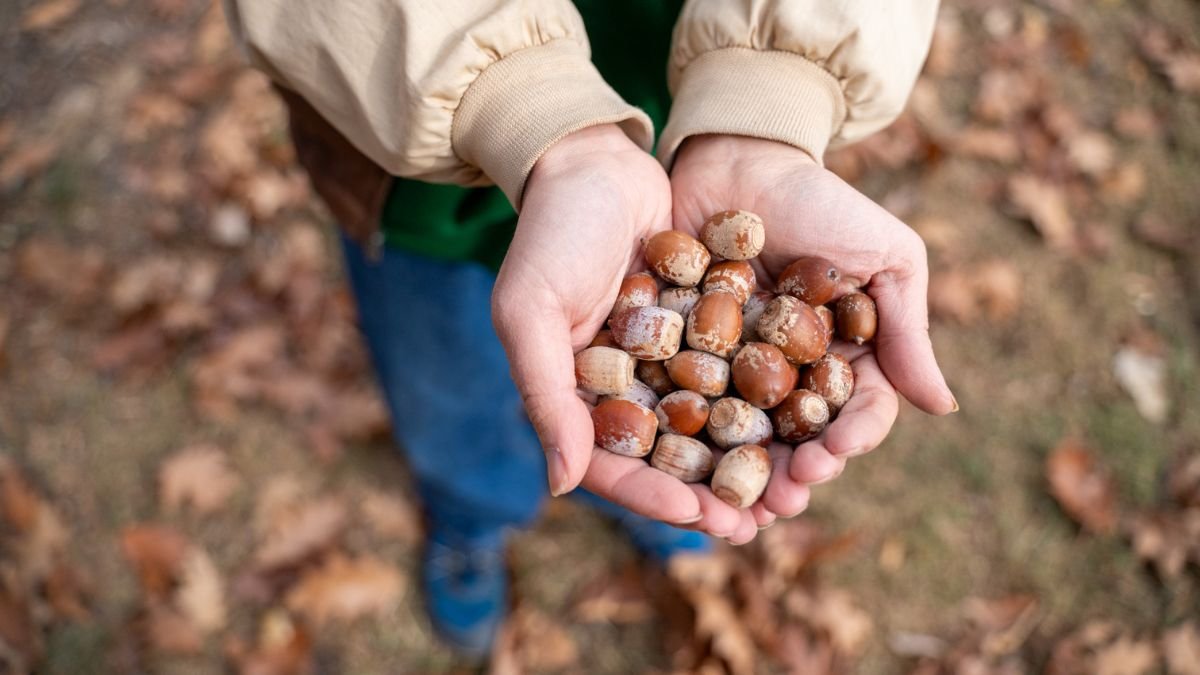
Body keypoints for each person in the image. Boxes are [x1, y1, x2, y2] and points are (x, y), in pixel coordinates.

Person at [223, 0, 958, 657]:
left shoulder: (718, 311)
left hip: (677, 100)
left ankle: (648, 509)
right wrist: (515, 99)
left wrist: (773, 86)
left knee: (584, 418)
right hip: (411, 154)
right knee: (443, 385)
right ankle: (473, 511)